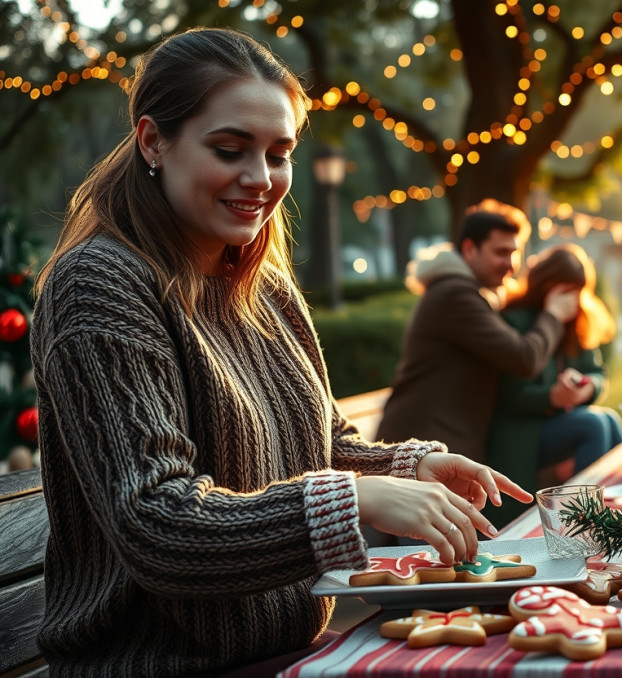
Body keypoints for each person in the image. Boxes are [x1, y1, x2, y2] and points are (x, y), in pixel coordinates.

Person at [30, 28, 531, 677]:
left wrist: (408, 467)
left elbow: (322, 438)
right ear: (154, 141)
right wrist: (354, 500)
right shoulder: (99, 286)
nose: (261, 180)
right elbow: (158, 527)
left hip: (294, 653)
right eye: (230, 149)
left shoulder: (263, 289)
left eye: (279, 153)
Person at [374, 200, 579, 463]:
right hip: (422, 449)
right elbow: (524, 358)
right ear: (470, 248)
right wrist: (553, 315)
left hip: (436, 445)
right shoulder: (455, 294)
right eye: (501, 252)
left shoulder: (469, 293)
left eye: (515, 252)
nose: (512, 264)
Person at [485, 244, 622, 525]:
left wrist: (587, 388)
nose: (573, 300)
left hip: (556, 422)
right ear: (546, 286)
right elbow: (509, 396)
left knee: (609, 419)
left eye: (578, 291)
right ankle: (581, 523)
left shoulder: (576, 322)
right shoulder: (516, 320)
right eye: (566, 291)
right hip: (522, 431)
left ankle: (620, 508)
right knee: (593, 424)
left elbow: (597, 373)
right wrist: (552, 397)